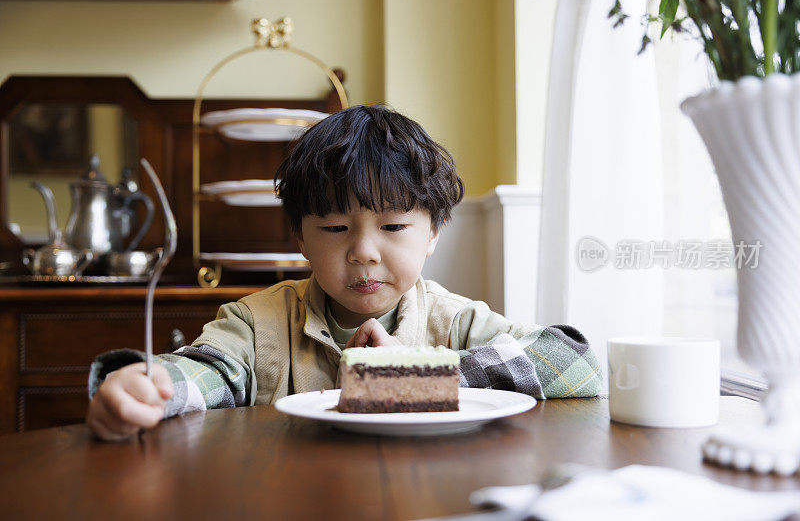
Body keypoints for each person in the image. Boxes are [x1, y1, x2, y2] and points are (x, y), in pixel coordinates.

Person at [86, 105, 601, 441]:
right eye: (334, 228)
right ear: (300, 239)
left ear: (435, 231)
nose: (363, 252)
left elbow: (576, 363)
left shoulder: (454, 321)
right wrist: (154, 387)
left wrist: (420, 376)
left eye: (394, 225)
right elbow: (212, 370)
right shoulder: (256, 321)